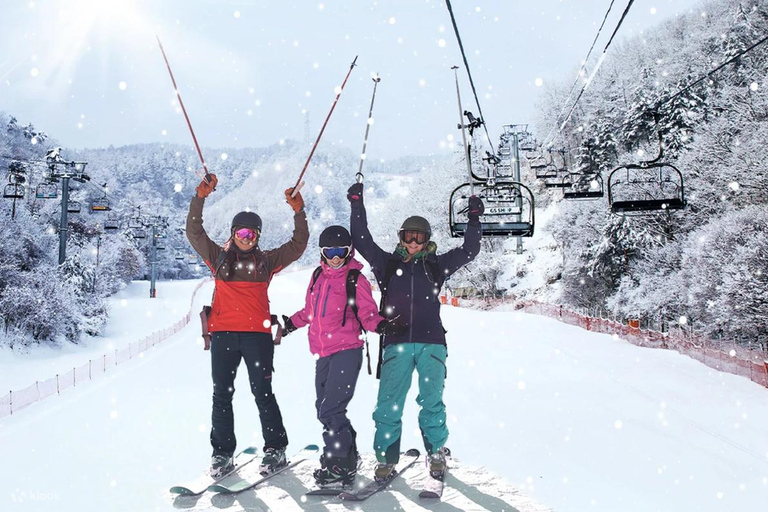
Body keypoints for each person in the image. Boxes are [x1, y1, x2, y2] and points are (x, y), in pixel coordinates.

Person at [346, 182, 483, 482]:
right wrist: (357, 205)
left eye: (419, 237)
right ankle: (385, 459)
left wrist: (474, 219)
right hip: (396, 343)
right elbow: (362, 239)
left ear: (427, 239)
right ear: (401, 238)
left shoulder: (437, 265)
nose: (413, 242)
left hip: (432, 343)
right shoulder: (387, 263)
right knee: (388, 403)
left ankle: (435, 453)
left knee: (431, 400)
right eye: (409, 236)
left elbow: (470, 250)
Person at [186, 174, 309, 477]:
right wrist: (200, 197)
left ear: (258, 236)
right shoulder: (218, 258)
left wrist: (298, 211)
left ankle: (276, 449)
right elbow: (194, 232)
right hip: (224, 334)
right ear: (233, 233)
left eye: (252, 233)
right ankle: (222, 454)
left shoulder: (266, 261)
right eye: (241, 232)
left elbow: (298, 245)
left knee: (262, 392)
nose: (246, 237)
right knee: (222, 395)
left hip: (257, 337)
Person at [280, 225, 407, 489]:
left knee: (331, 408)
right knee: (323, 409)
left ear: (349, 252)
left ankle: (339, 463)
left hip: (347, 350)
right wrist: (291, 323)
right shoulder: (317, 276)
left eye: (341, 252)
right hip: (323, 352)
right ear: (322, 253)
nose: (336, 258)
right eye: (330, 252)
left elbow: (368, 314)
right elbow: (310, 311)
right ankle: (347, 454)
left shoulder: (355, 279)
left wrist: (382, 325)